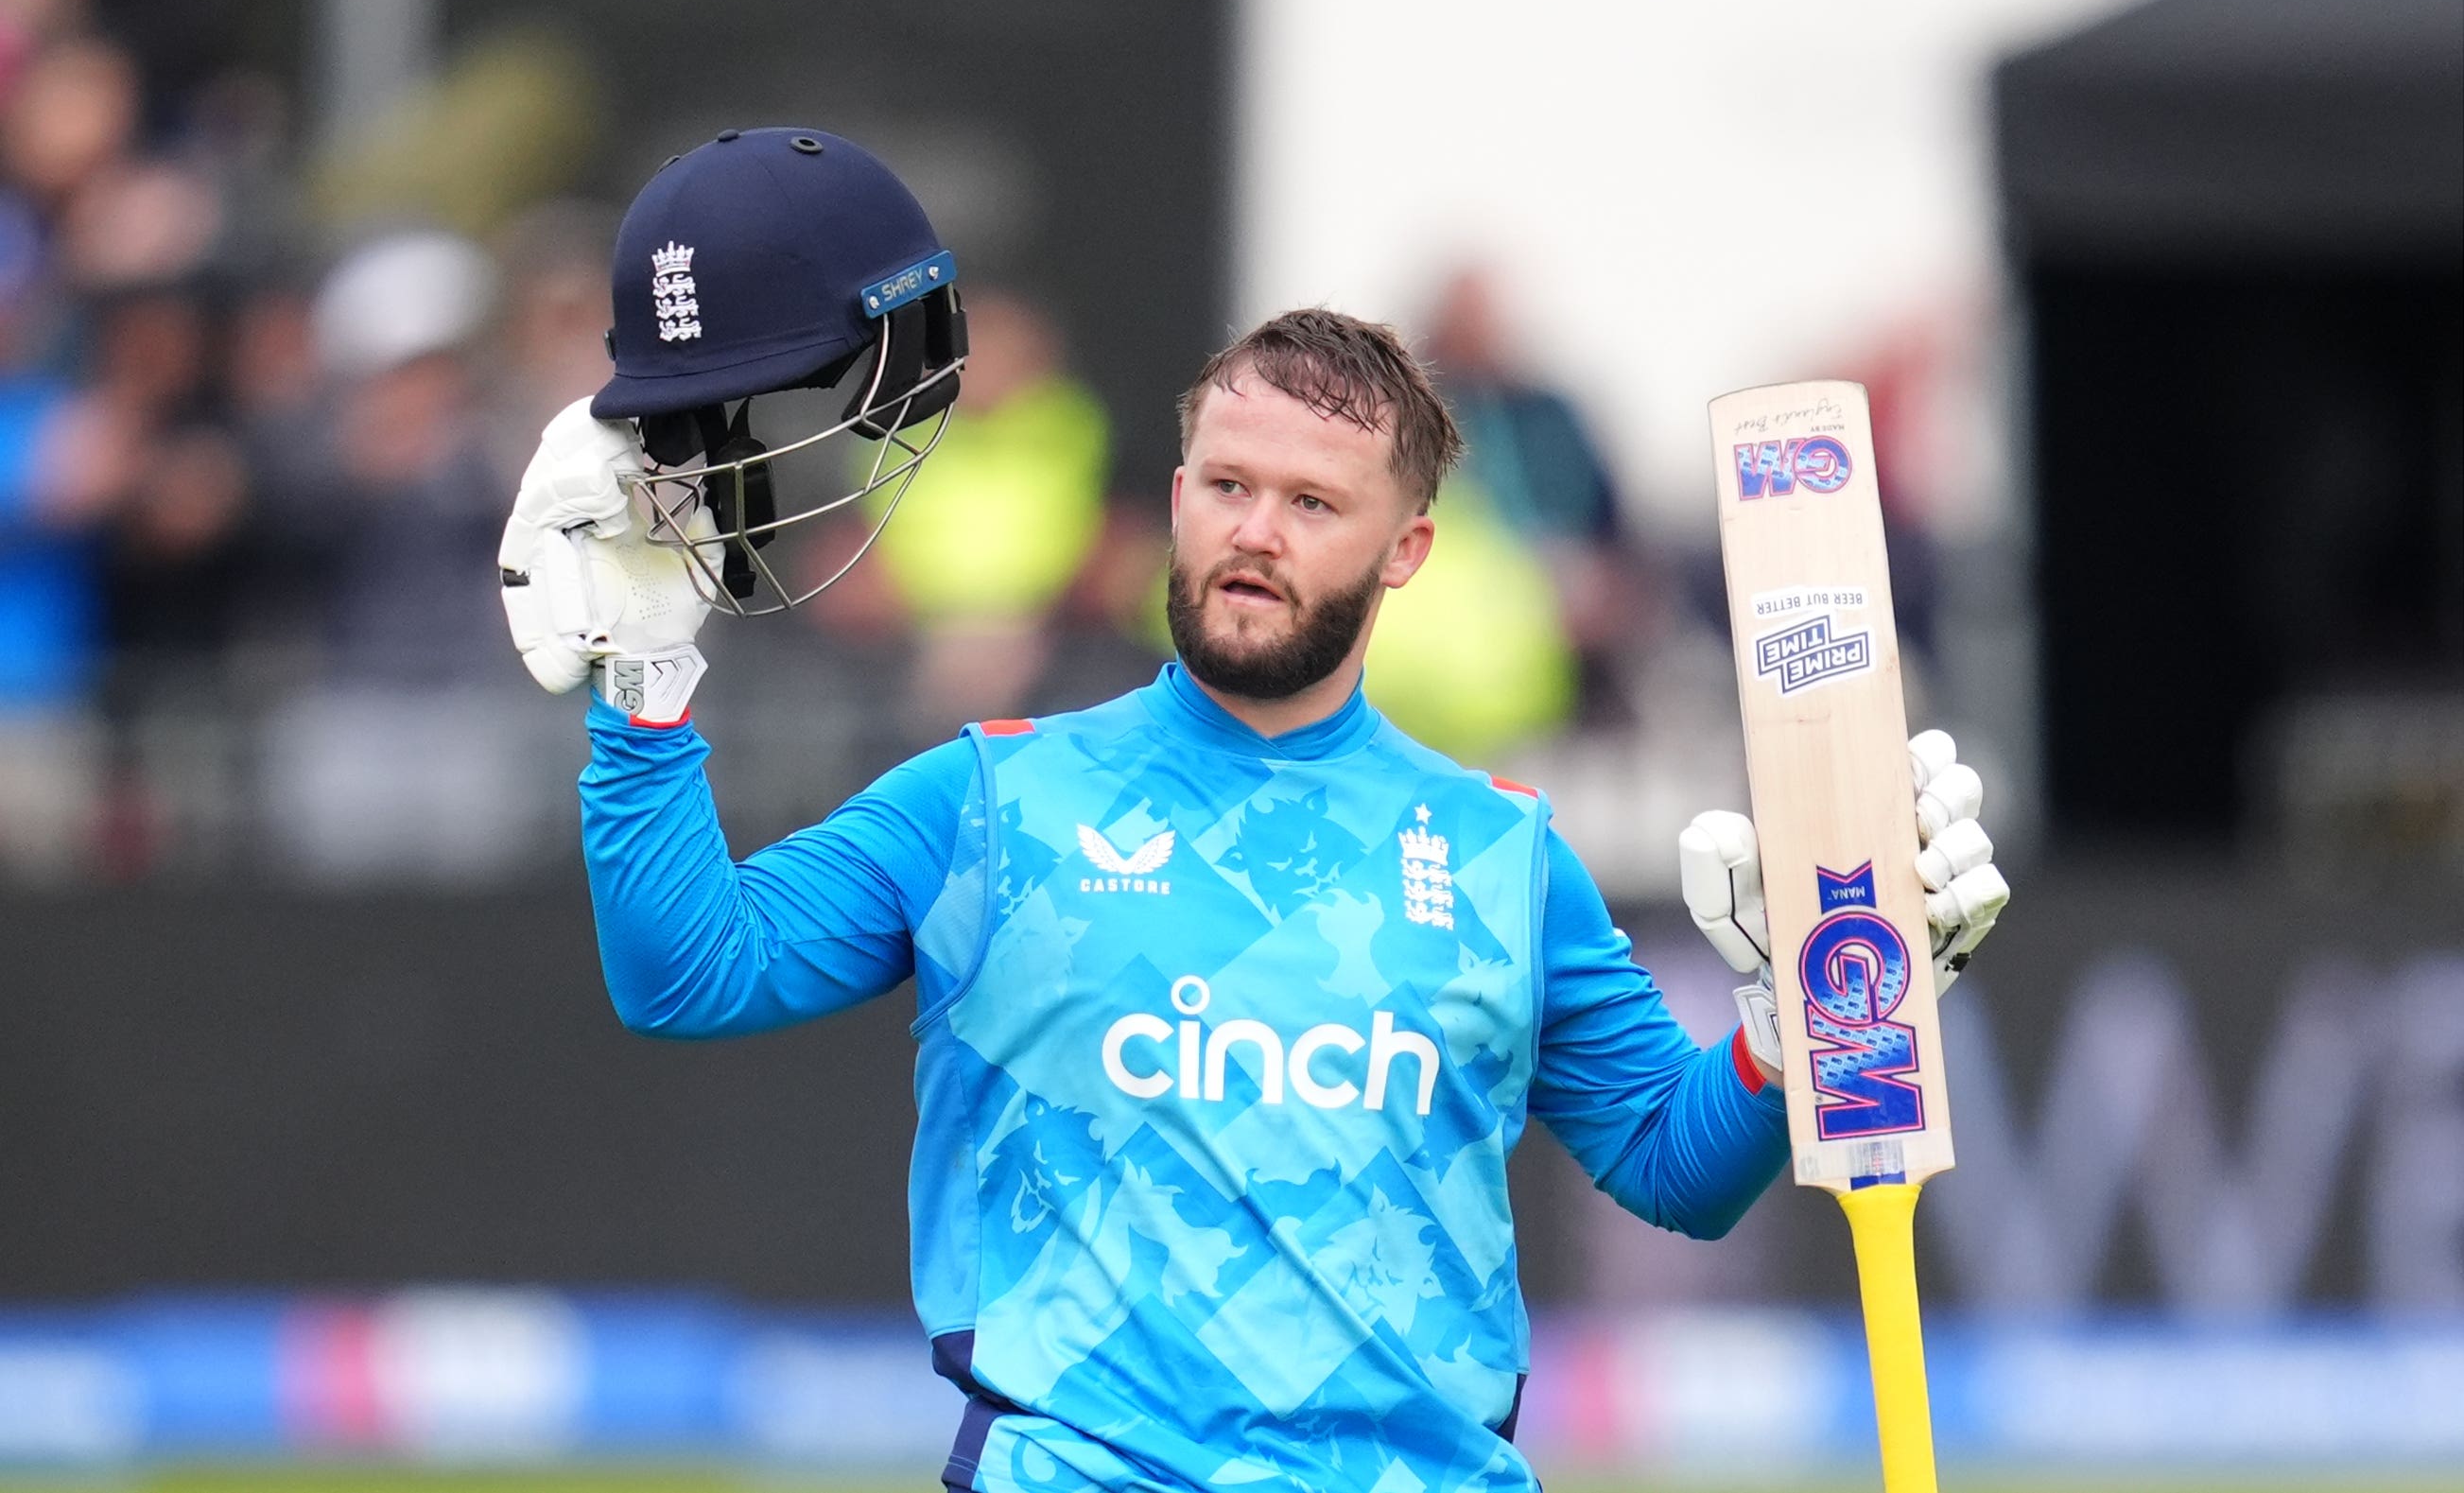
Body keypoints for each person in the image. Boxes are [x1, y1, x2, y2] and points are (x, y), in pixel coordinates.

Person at [498, 130, 2013, 1492]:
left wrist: (1798, 1018)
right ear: (1172, 495)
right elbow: (687, 974)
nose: (1252, 534)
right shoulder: (987, 800)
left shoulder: (1500, 853)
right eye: (1225, 485)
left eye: (1309, 503)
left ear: (1404, 548)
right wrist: (643, 690)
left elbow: (1676, 1170)